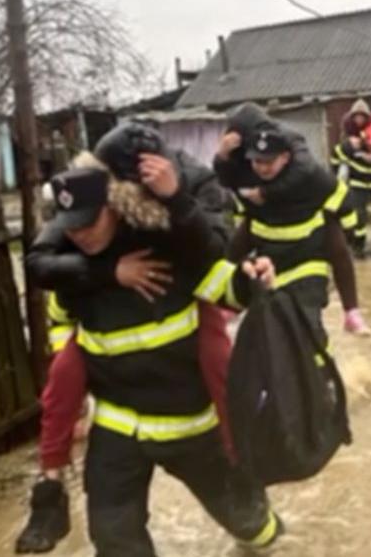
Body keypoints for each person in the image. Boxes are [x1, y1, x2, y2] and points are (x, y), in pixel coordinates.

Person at [26, 165, 282, 556]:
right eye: (70, 225)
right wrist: (69, 368)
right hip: (118, 429)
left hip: (189, 425)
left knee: (252, 526)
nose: (78, 233)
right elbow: (59, 320)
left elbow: (226, 289)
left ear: (114, 208)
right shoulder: (74, 270)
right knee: (114, 538)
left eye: (87, 222)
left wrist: (253, 279)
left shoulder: (168, 250)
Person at [213, 104, 371, 335]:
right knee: (232, 251)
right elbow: (226, 179)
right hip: (267, 236)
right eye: (258, 162)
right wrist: (222, 155)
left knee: (338, 251)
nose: (263, 168)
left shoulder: (299, 157)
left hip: (309, 242)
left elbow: (338, 195)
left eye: (269, 162)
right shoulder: (243, 155)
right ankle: (229, 303)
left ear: (285, 158)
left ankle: (351, 311)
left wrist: (352, 232)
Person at [332, 120, 371, 256]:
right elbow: (336, 160)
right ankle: (358, 245)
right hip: (358, 184)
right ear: (364, 140)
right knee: (359, 216)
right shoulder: (349, 147)